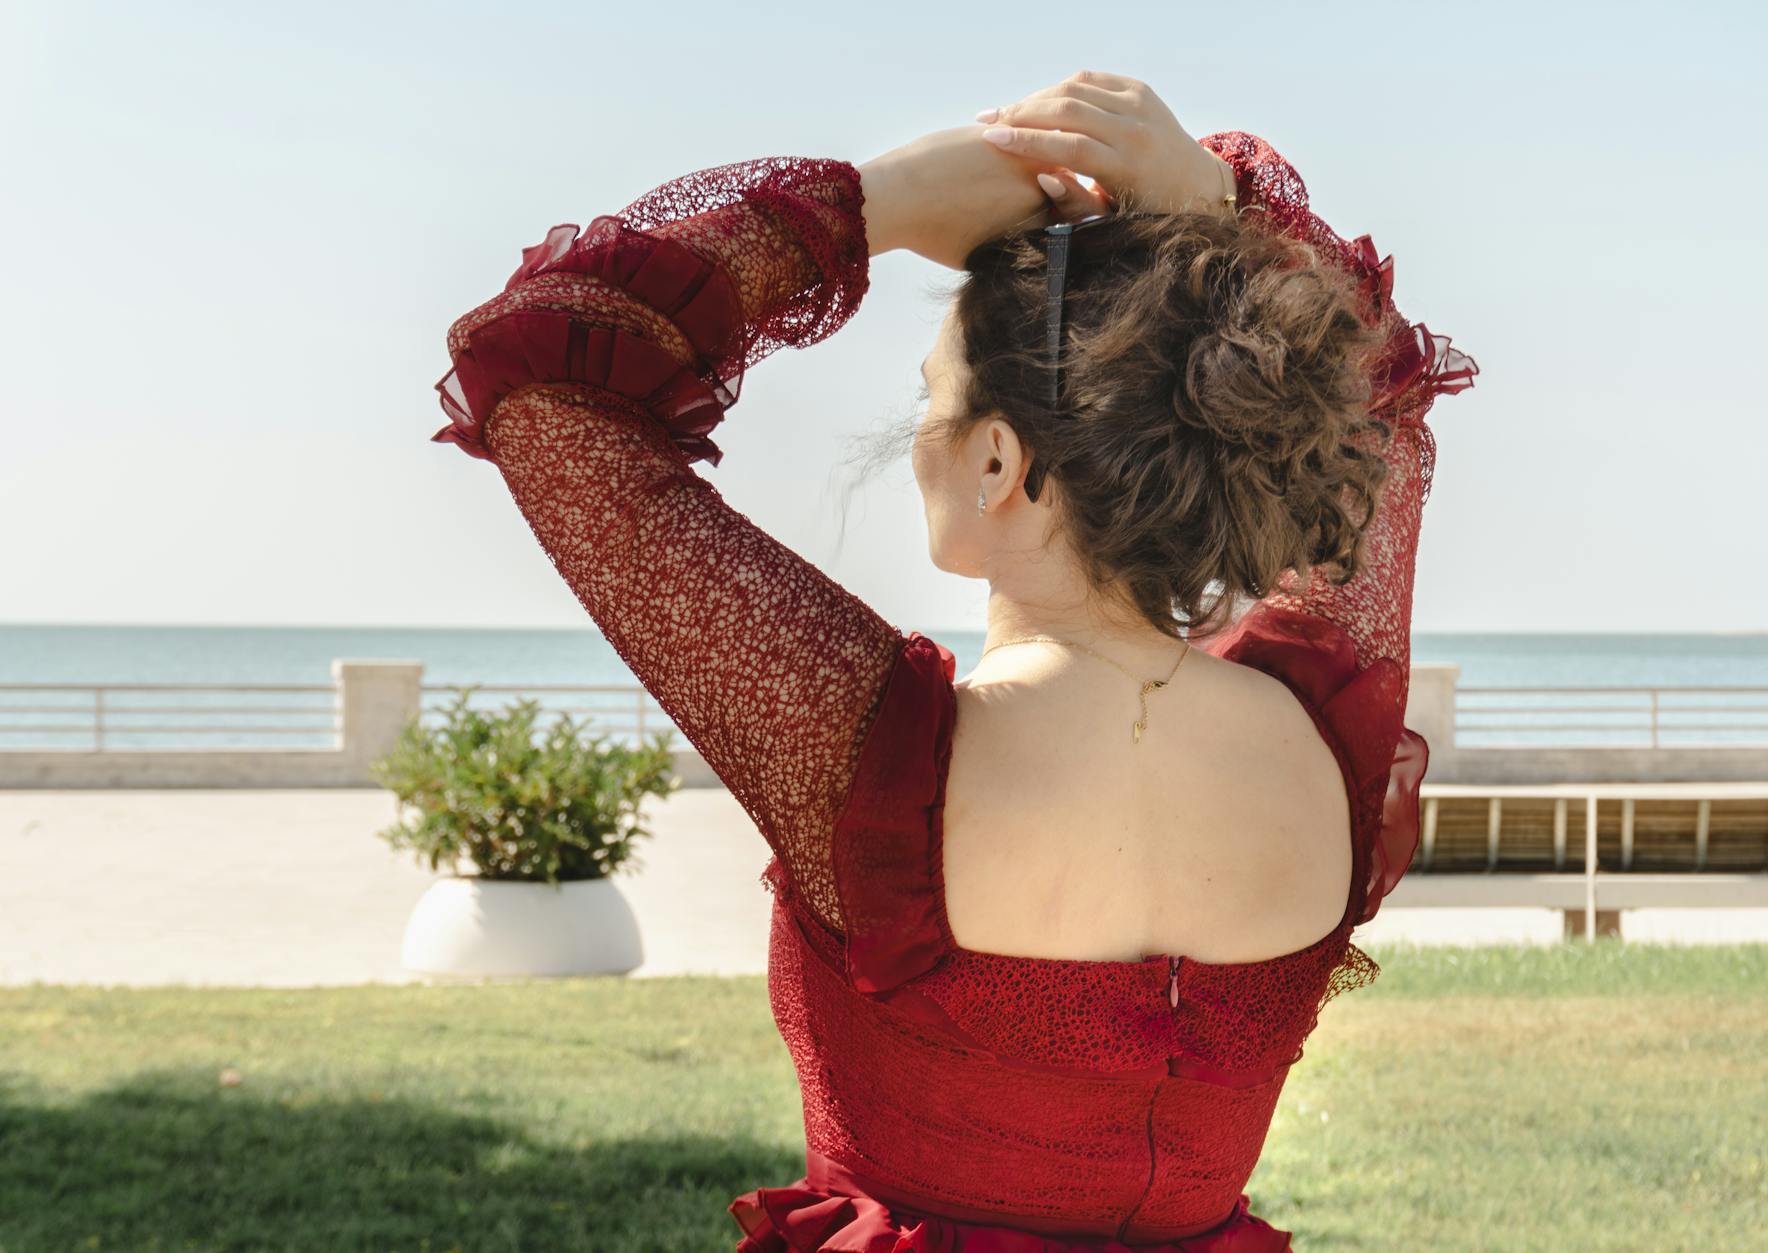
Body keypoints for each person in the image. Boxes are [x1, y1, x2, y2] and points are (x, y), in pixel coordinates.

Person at [431, 69, 1479, 1253]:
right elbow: (1384, 404)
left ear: (996, 461)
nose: (916, 435)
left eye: (930, 398)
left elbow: (542, 381)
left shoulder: (873, 755)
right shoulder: (1322, 727)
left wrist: (878, 202)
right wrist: (1222, 200)